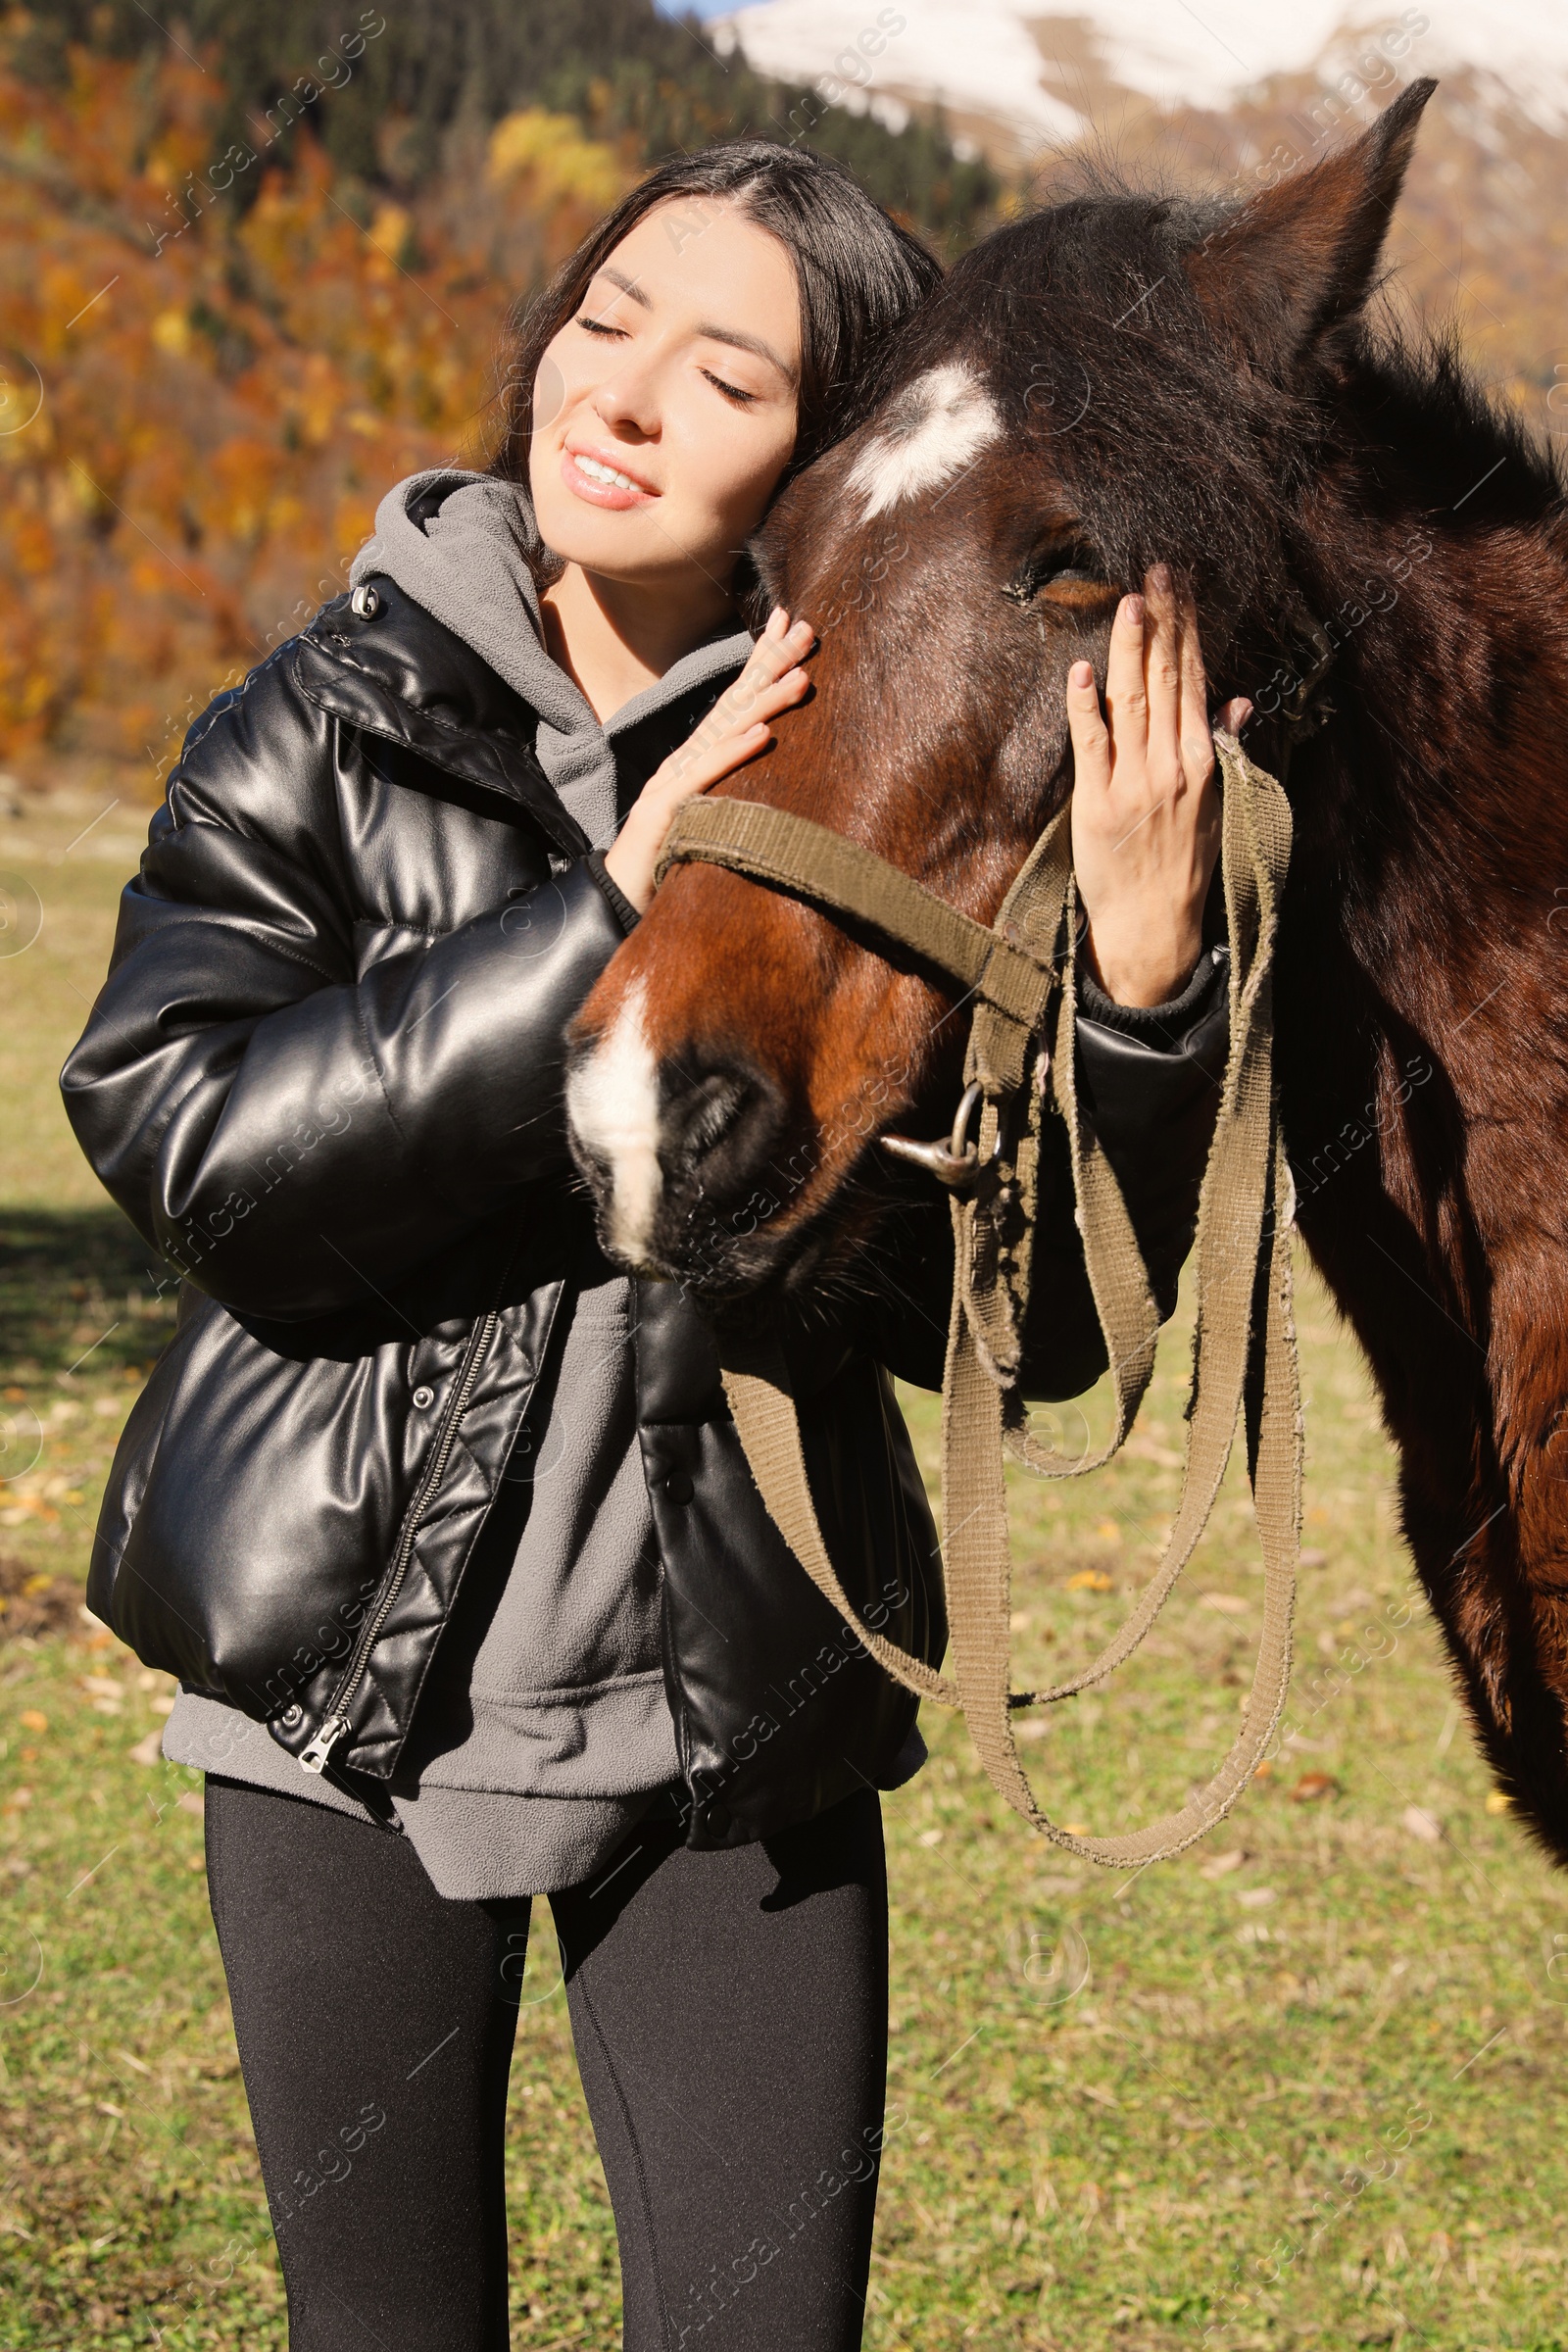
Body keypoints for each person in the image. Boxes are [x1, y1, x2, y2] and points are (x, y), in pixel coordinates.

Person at [63, 141, 1245, 2352]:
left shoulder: (880, 804)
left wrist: (1141, 992)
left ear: (826, 462)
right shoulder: (322, 723)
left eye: (720, 372)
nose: (616, 391)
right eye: (606, 319)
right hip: (338, 1703)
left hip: (734, 1726)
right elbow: (197, 1147)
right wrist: (600, 911)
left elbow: (1031, 1326)